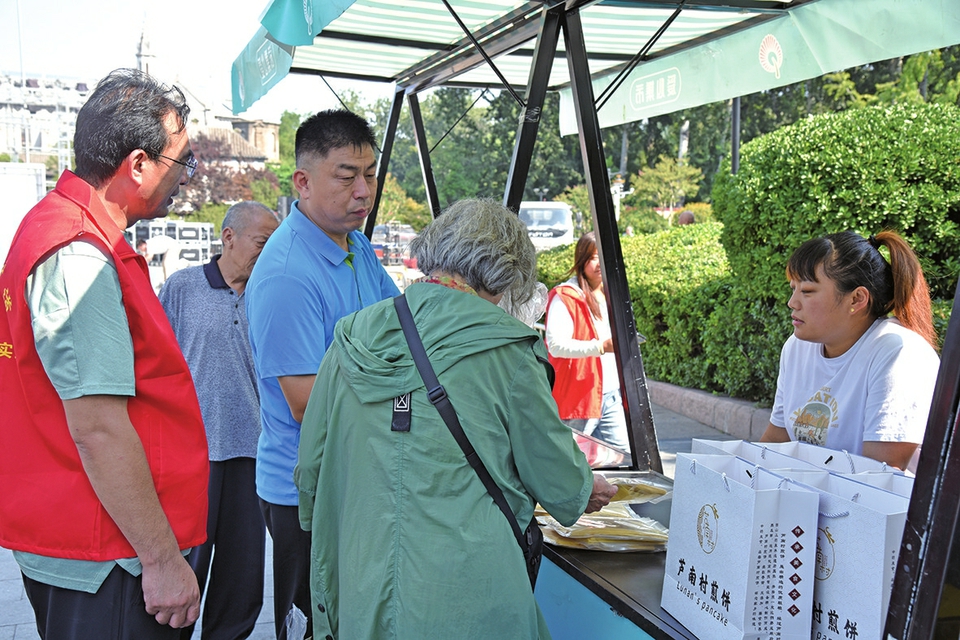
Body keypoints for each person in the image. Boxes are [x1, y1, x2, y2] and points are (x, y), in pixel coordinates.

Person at [295, 198, 617, 639]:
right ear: (506, 273)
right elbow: (558, 479)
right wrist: (587, 488)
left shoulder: (353, 336)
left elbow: (311, 466)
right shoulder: (510, 350)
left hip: (362, 575)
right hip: (468, 591)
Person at [0, 69, 208, 638]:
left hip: (103, 545)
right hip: (110, 558)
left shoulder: (69, 230)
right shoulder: (78, 254)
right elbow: (99, 430)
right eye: (180, 161)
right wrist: (163, 561)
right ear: (138, 165)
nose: (186, 178)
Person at [245, 109, 400, 638]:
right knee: (315, 620)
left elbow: (402, 330)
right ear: (303, 182)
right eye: (346, 176)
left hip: (355, 478)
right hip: (303, 493)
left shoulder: (355, 245)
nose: (364, 191)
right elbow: (308, 402)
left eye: (371, 174)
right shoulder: (288, 274)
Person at [159, 201, 279, 640]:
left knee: (242, 575)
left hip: (254, 454)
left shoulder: (273, 293)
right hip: (192, 457)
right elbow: (152, 367)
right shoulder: (182, 288)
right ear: (229, 237)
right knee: (185, 570)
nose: (269, 252)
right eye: (262, 242)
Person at [760, 230, 940, 471]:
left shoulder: (900, 353)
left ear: (857, 299)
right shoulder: (796, 348)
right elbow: (774, 443)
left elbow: (880, 474)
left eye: (807, 291)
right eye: (793, 289)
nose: (792, 302)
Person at [544, 232, 631, 452]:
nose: (600, 263)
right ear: (581, 260)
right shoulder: (566, 296)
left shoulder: (611, 295)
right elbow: (555, 344)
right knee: (570, 461)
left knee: (622, 455)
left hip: (610, 393)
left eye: (603, 256)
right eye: (593, 257)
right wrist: (601, 347)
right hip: (579, 396)